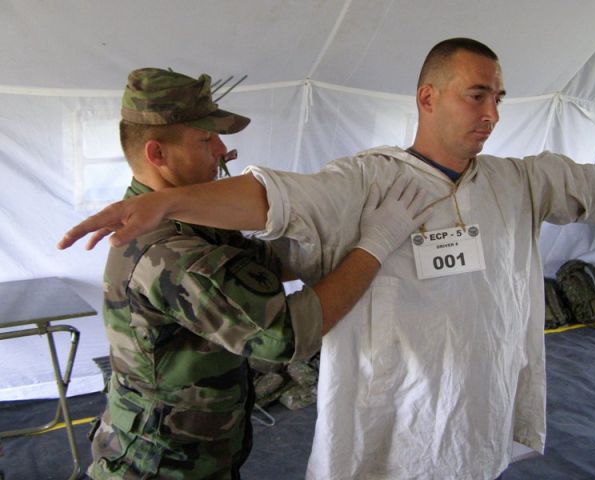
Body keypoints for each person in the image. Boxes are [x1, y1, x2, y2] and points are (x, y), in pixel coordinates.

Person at [59, 39, 595, 480]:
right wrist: (372, 241)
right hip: (372, 428)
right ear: (428, 97)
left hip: (477, 415)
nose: (491, 113)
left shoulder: (515, 182)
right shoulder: (369, 182)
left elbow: (585, 184)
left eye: (498, 98)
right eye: (476, 95)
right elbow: (282, 202)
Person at [76, 67, 430, 480]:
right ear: (158, 154)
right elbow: (286, 335)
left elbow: (268, 263)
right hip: (160, 467)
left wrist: (336, 223)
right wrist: (375, 245)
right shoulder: (168, 252)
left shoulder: (191, 221)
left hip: (194, 455)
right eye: (205, 139)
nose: (222, 149)